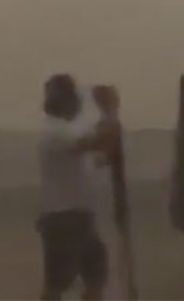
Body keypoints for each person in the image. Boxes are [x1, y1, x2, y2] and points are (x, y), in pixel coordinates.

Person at [38, 75, 113, 301]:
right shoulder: (56, 131)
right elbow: (95, 141)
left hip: (76, 217)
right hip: (64, 217)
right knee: (59, 283)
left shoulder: (65, 132)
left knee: (94, 276)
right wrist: (109, 111)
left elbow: (99, 152)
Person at [91, 85, 136, 300]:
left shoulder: (108, 125)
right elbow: (101, 161)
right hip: (110, 196)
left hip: (114, 195)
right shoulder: (107, 126)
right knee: (116, 251)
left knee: (120, 252)